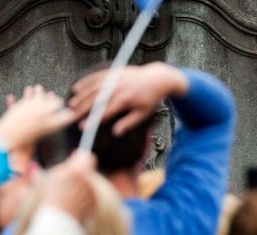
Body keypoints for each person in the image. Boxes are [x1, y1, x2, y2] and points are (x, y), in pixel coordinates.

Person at [68, 62, 237, 235]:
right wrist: (164, 77)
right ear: (148, 144)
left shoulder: (48, 219)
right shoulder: (181, 222)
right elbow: (214, 117)